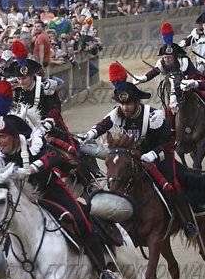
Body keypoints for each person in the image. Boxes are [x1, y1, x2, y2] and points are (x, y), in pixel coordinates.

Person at [0, 80, 118, 279]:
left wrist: (31, 169)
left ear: (15, 137)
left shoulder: (32, 144)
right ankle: (26, 278)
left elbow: (53, 154)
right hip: (22, 202)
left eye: (3, 136)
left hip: (49, 192)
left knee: (80, 219)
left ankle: (102, 271)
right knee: (6, 229)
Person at [82, 63, 198, 239]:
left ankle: (187, 223)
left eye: (128, 104)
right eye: (122, 104)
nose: (125, 107)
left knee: (172, 185)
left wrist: (153, 153)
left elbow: (168, 140)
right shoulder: (118, 113)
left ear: (137, 102)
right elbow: (102, 125)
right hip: (133, 158)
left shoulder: (154, 117)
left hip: (159, 156)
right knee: (116, 179)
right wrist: (88, 135)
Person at [179, 0, 205, 73]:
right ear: (202, 25)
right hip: (199, 63)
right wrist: (182, 44)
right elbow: (189, 39)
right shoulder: (198, 33)